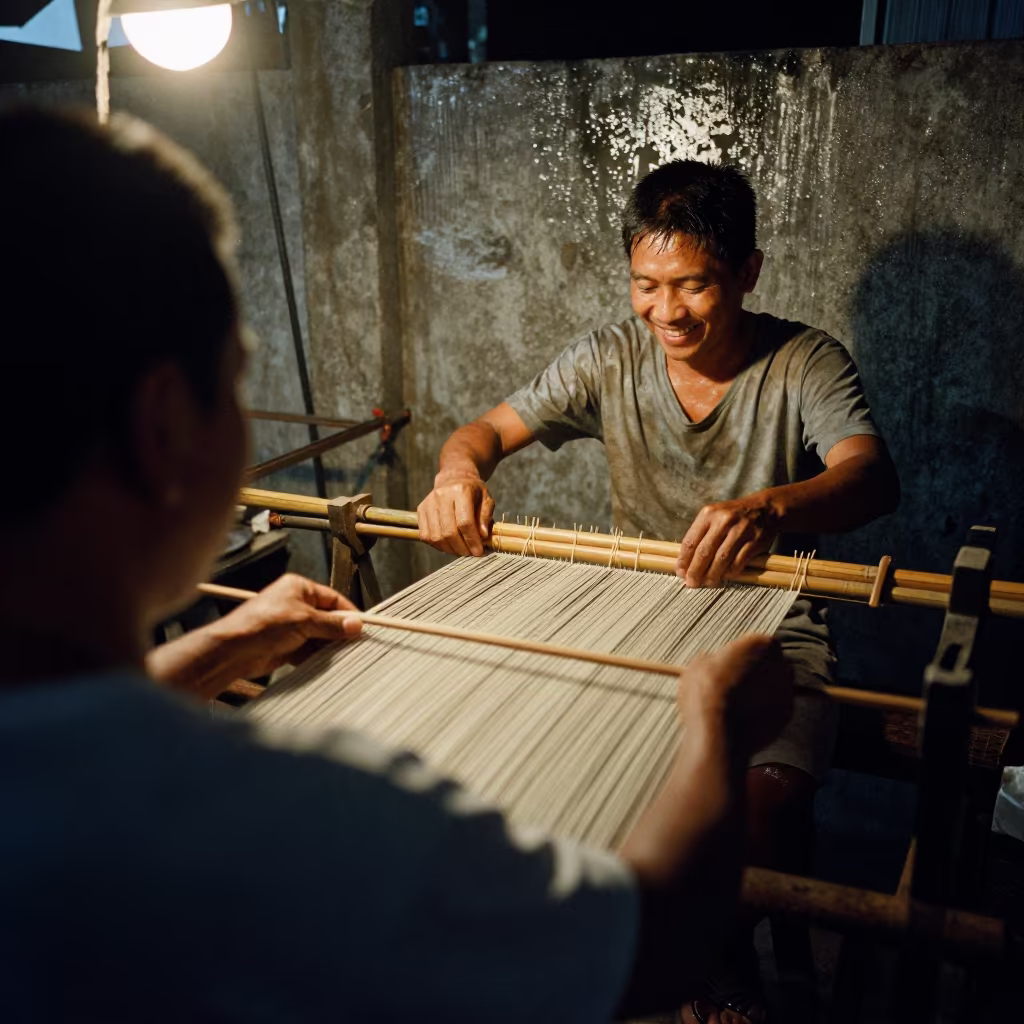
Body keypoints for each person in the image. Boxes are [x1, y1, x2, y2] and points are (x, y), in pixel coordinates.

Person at [0, 107, 795, 1022]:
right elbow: (649, 944)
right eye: (239, 376)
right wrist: (717, 729)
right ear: (164, 425)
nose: (667, 309)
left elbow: (69, 740)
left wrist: (218, 650)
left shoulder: (796, 362)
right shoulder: (312, 819)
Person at [418, 159, 900, 1022]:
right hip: (633, 619)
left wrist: (771, 505)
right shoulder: (608, 357)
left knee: (743, 818)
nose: (666, 313)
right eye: (646, 285)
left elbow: (870, 477)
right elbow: (486, 430)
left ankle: (699, 975)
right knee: (529, 780)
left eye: (694, 286)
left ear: (747, 273)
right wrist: (457, 473)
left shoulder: (803, 364)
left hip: (770, 630)